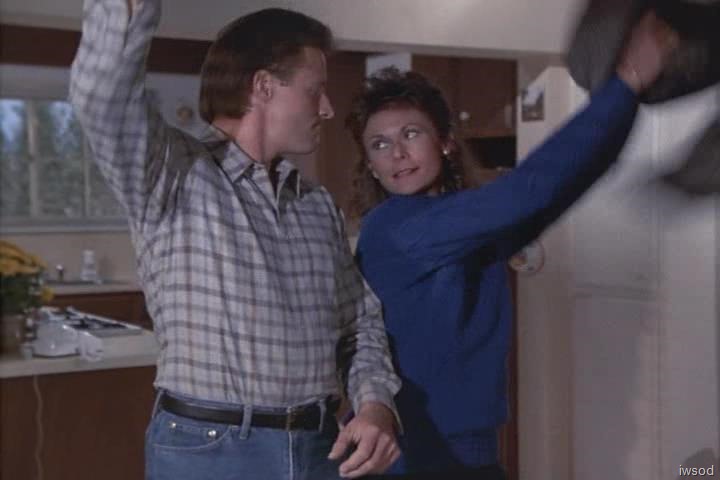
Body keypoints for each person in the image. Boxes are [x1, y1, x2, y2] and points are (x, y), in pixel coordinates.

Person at [69, 1, 401, 479]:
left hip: (319, 447)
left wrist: (375, 405)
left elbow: (359, 325)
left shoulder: (315, 204)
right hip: (211, 452)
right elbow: (103, 100)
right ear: (264, 86)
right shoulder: (174, 173)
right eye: (315, 90)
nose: (327, 108)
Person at [346, 12, 678, 480]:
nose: (396, 153)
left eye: (411, 134)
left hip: (467, 453)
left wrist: (630, 98)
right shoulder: (394, 228)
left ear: (445, 142)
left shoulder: (461, 225)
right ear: (370, 165)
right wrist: (626, 83)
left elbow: (559, 186)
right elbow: (530, 189)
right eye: (379, 145)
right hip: (410, 455)